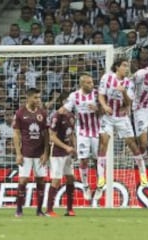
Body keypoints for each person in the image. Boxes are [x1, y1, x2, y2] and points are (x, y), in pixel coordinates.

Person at [97, 58, 148, 198]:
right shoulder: (106, 77)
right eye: (124, 66)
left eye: (128, 66)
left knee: (133, 145)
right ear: (117, 67)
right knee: (103, 143)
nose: (127, 68)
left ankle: (143, 173)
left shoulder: (129, 83)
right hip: (108, 116)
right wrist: (104, 105)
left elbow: (129, 102)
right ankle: (101, 178)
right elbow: (101, 95)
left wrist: (124, 92)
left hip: (121, 117)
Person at [58, 73, 99, 201]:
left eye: (92, 82)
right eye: (88, 83)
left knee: (99, 161)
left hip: (98, 131)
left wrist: (97, 108)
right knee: (84, 160)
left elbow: (107, 109)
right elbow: (65, 109)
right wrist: (58, 113)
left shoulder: (97, 94)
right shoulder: (74, 96)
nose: (91, 84)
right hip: (82, 132)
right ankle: (86, 186)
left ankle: (99, 186)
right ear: (82, 84)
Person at [13, 88, 49, 217]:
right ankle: (19, 210)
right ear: (28, 98)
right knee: (23, 181)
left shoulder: (43, 113)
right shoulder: (20, 113)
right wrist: (18, 153)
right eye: (35, 97)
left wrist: (46, 153)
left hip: (39, 154)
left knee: (41, 181)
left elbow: (46, 135)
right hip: (26, 153)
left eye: (39, 97)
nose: (38, 100)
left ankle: (39, 210)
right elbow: (16, 134)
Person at [46, 92, 76, 217]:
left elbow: (71, 133)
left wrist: (74, 148)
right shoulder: (56, 116)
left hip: (68, 151)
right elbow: (52, 137)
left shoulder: (71, 116)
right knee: (56, 180)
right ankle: (49, 210)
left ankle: (69, 209)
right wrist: (66, 147)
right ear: (63, 102)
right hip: (58, 152)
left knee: (70, 178)